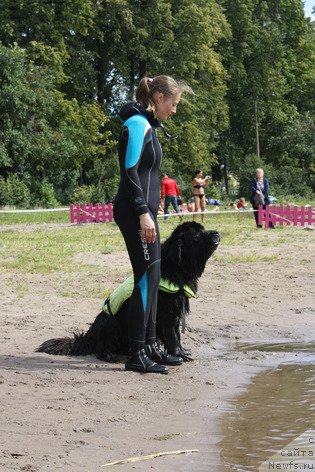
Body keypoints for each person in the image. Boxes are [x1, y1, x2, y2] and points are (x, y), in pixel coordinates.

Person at [113, 75, 192, 374]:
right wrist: (142, 211)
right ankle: (136, 354)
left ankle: (149, 346)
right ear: (159, 98)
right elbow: (130, 170)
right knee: (145, 278)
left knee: (154, 276)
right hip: (135, 212)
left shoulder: (148, 125)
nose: (174, 110)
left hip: (145, 212)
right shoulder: (136, 124)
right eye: (173, 104)